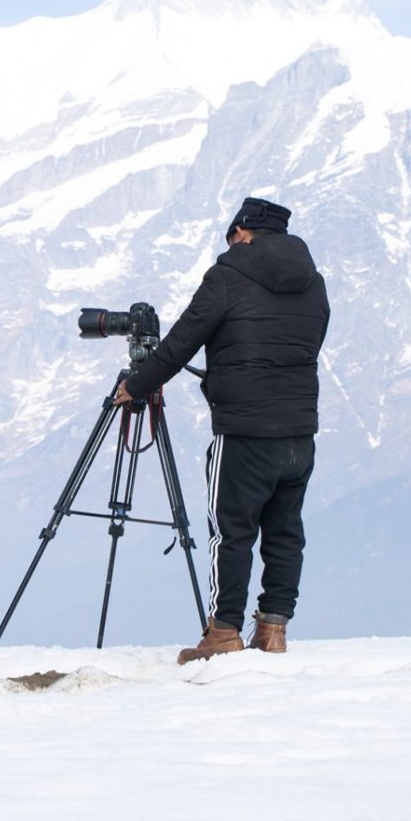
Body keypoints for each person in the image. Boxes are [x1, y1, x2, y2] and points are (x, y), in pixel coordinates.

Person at [114, 196, 329, 663]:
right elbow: (299, 346)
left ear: (243, 232)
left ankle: (224, 631)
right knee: (285, 530)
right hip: (299, 431)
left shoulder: (227, 276)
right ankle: (273, 630)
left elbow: (178, 344)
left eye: (231, 237)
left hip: (245, 430)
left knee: (230, 531)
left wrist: (136, 385)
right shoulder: (315, 284)